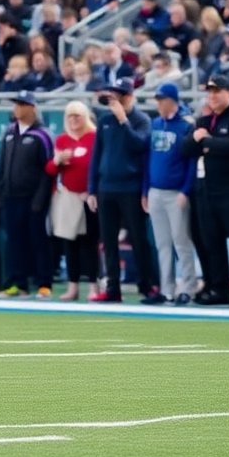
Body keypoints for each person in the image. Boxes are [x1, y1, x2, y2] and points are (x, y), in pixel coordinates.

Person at [183, 75, 229, 307]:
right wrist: (206, 141)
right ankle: (220, 290)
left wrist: (206, 141)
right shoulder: (207, 119)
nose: (212, 96)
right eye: (210, 92)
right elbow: (185, 148)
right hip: (207, 190)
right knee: (212, 243)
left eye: (217, 91)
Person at [88, 77, 156, 303]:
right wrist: (92, 189)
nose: (117, 98)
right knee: (108, 241)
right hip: (107, 187)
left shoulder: (141, 119)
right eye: (115, 94)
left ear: (131, 96)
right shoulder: (105, 120)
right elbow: (97, 155)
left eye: (122, 94)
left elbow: (139, 144)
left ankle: (146, 285)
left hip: (131, 187)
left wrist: (123, 120)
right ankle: (113, 288)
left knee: (138, 238)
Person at [0, 90, 54, 298]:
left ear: (32, 108)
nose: (17, 108)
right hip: (11, 197)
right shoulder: (10, 132)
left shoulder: (42, 135)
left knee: (37, 240)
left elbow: (48, 171)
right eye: (16, 103)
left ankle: (43, 283)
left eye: (22, 104)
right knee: (14, 241)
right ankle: (16, 283)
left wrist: (40, 198)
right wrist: (1, 193)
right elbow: (3, 166)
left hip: (33, 199)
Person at [143, 84, 197, 306]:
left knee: (181, 241)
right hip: (156, 191)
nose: (158, 103)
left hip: (176, 192)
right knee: (162, 244)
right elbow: (148, 160)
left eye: (161, 99)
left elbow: (191, 161)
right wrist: (145, 190)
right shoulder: (155, 124)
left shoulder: (185, 126)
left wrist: (186, 190)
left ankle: (189, 287)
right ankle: (166, 289)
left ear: (172, 101)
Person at [46, 102, 98, 302]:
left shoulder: (93, 137)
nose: (74, 120)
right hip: (68, 197)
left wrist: (92, 191)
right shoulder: (62, 139)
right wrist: (58, 161)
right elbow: (50, 169)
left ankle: (94, 285)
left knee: (90, 243)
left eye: (77, 116)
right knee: (70, 243)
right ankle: (72, 286)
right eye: (70, 116)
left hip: (88, 198)